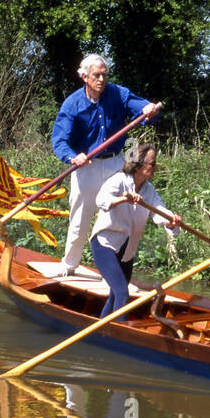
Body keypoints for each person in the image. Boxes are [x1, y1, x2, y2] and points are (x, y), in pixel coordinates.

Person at [51, 55, 158, 276]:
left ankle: (116, 269)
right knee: (80, 217)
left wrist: (148, 109)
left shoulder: (118, 93)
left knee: (119, 213)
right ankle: (69, 265)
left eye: (104, 75)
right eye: (96, 75)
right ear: (84, 77)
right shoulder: (72, 104)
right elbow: (60, 140)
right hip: (85, 166)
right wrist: (73, 157)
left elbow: (141, 109)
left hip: (115, 164)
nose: (101, 79)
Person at [88, 144, 182, 320]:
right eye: (152, 163)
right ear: (138, 165)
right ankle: (119, 335)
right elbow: (101, 200)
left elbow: (159, 210)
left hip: (127, 250)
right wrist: (124, 199)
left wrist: (171, 221)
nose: (155, 167)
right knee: (122, 292)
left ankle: (103, 329)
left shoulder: (149, 190)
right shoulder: (118, 180)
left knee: (116, 295)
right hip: (105, 244)